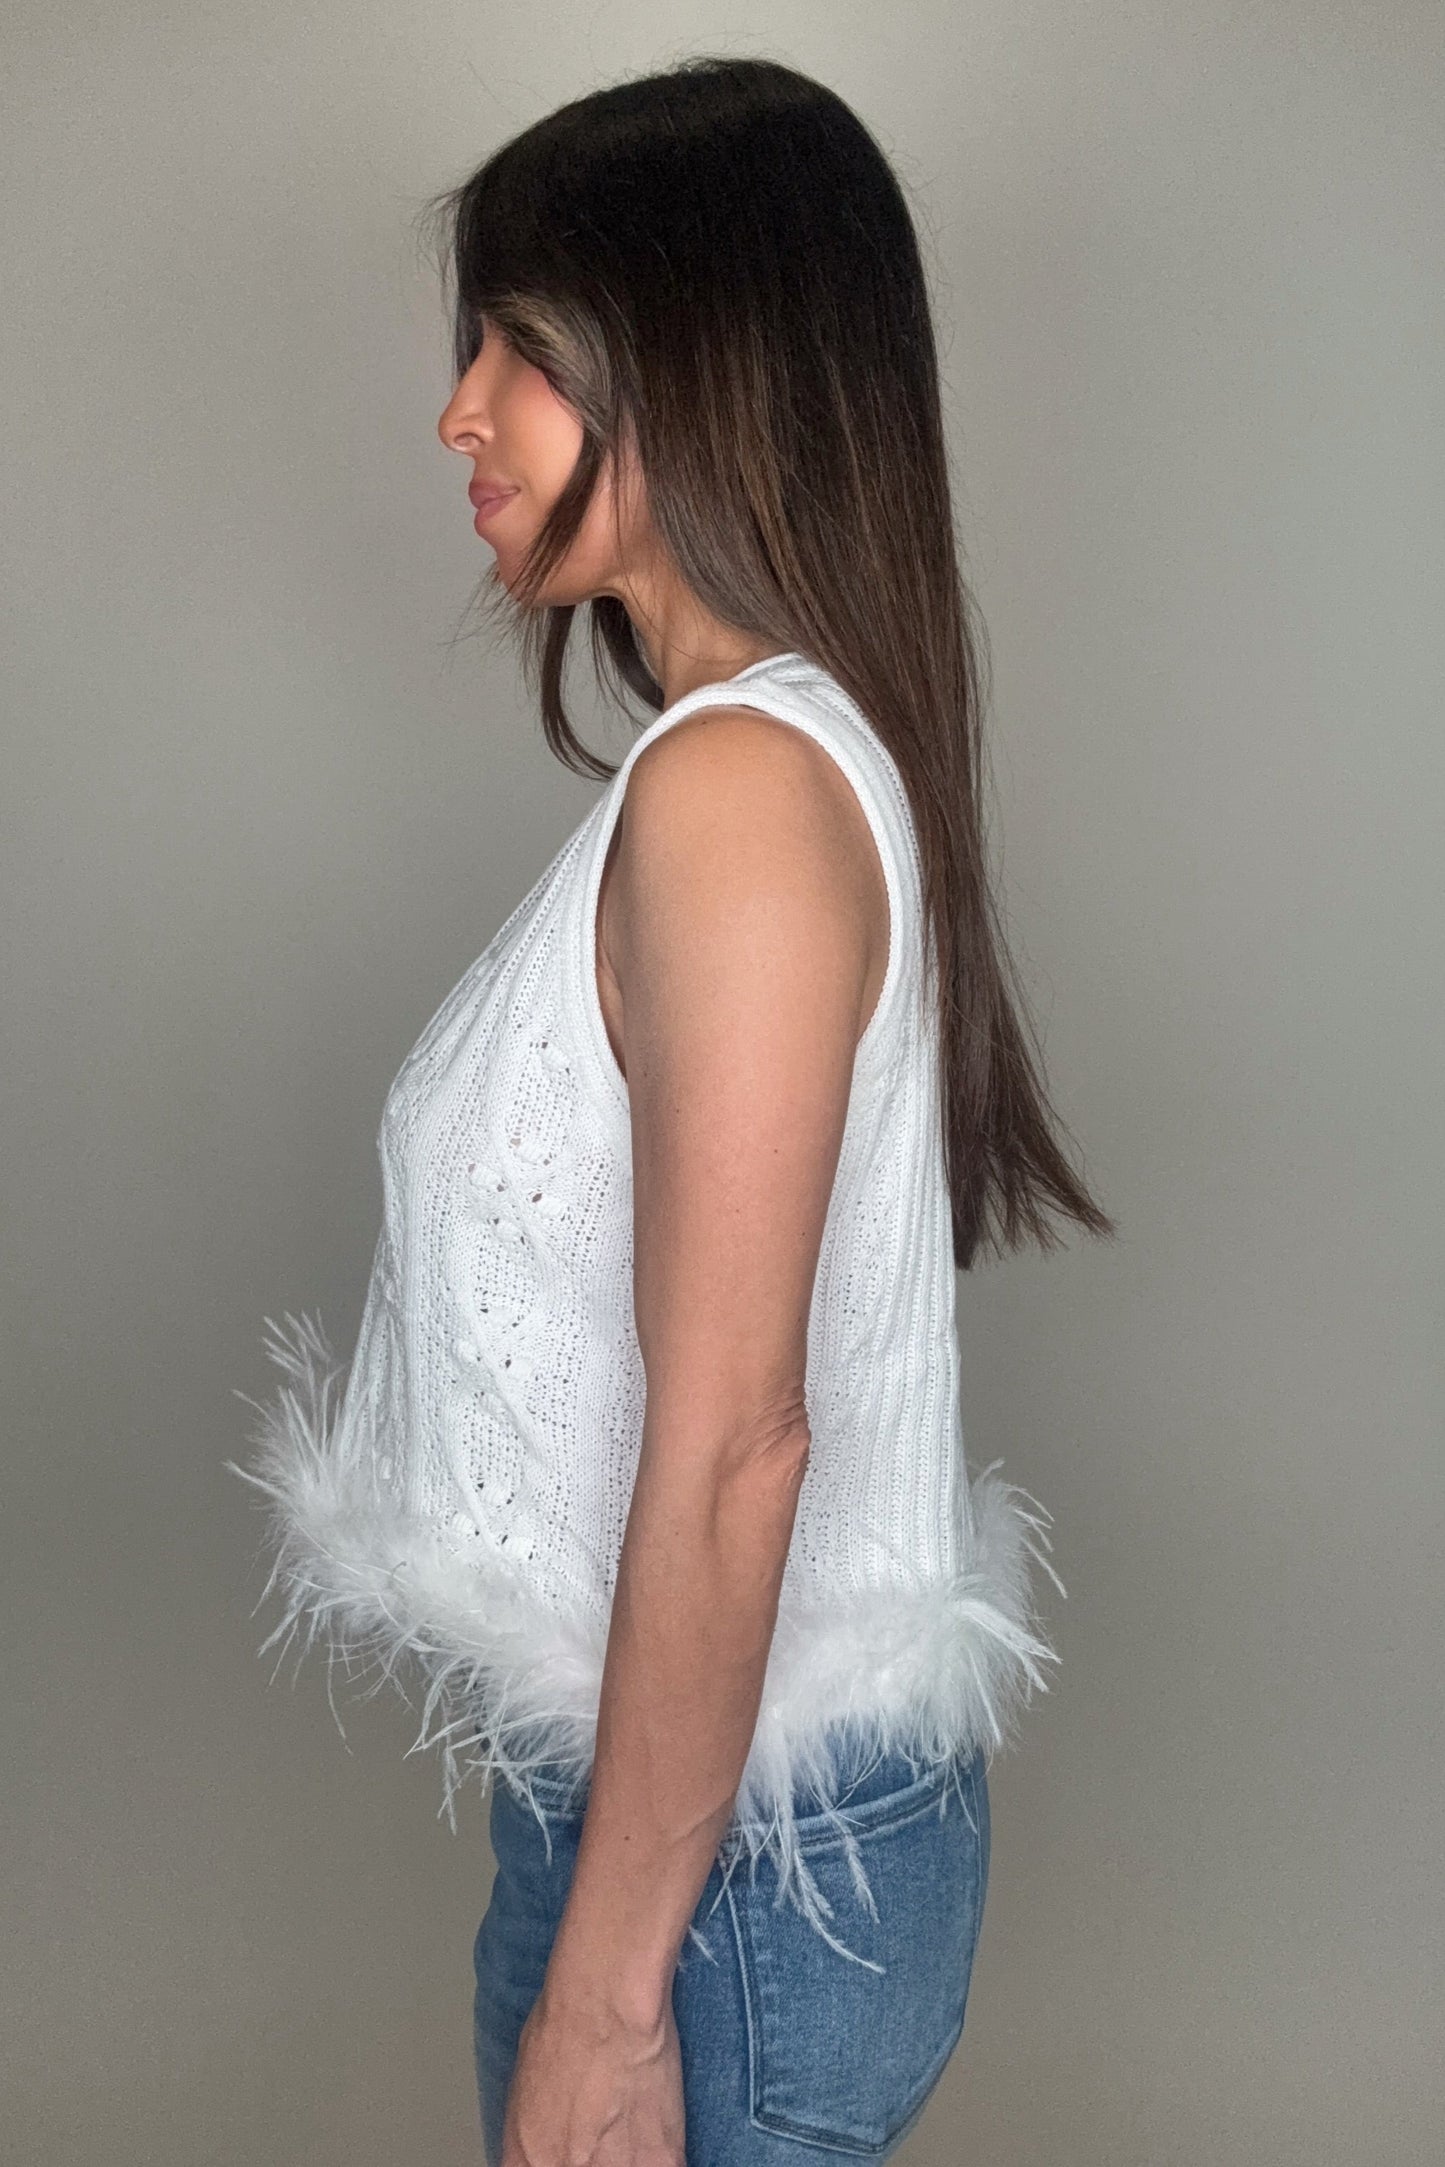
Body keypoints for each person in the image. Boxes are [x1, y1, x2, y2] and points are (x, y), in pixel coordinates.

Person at [229, 53, 1116, 2167]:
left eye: (521, 349)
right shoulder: (783, 755)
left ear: (699, 360)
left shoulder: (734, 794)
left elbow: (733, 1447)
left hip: (723, 1890)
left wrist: (610, 2000)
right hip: (735, 1826)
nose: (460, 410)